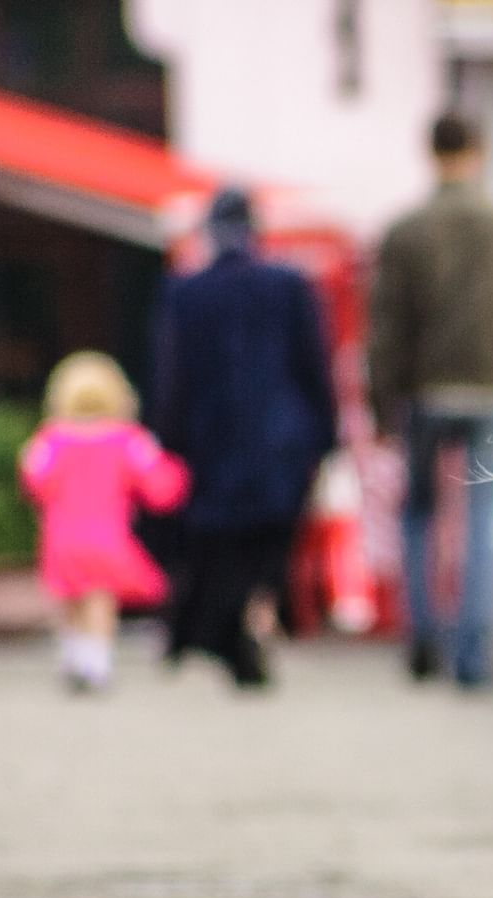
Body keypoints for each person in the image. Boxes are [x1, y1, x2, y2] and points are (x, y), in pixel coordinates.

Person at [367, 111, 493, 688]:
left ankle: (422, 639)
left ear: (430, 151)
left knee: (418, 514)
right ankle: (473, 653)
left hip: (423, 390)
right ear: (480, 149)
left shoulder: (404, 231)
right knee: (482, 517)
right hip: (491, 386)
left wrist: (381, 402)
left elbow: (387, 327)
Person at [154, 187, 337, 688]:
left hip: (211, 446)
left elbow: (173, 380)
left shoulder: (185, 292)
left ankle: (229, 635)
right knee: (268, 550)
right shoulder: (291, 286)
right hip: (282, 445)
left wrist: (169, 443)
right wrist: (325, 437)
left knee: (222, 548)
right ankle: (249, 630)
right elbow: (313, 368)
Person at [19, 352, 189, 691]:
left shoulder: (51, 440)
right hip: (106, 536)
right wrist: (181, 473)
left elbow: (35, 481)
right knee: (99, 597)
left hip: (62, 538)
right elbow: (160, 485)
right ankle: (96, 659)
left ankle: (73, 653)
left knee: (69, 598)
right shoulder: (128, 440)